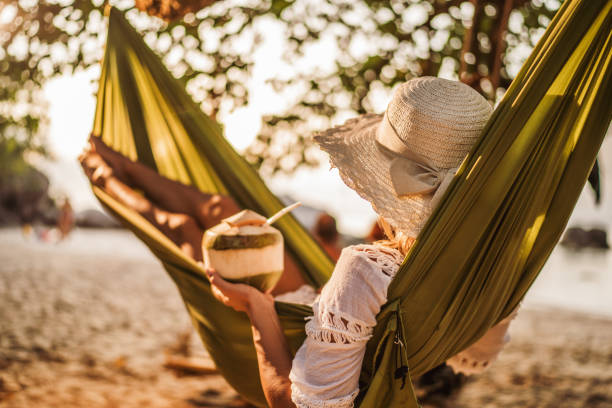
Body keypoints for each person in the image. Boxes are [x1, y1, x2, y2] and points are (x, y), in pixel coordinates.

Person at [205, 77, 518, 407]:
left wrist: (258, 311)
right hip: (353, 332)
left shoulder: (367, 269)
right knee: (201, 218)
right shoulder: (501, 262)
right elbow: (480, 351)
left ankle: (143, 190)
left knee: (196, 224)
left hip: (303, 337)